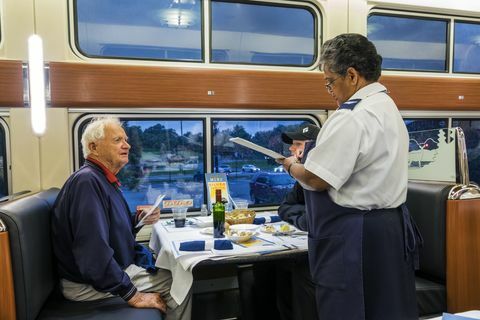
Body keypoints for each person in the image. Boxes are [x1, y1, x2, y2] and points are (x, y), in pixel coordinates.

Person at [278, 33, 421, 320]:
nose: (329, 89)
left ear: (352, 75)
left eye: (330, 81)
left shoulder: (352, 116)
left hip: (357, 235)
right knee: (388, 310)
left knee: (350, 309)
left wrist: (292, 165)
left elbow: (318, 179)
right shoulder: (387, 107)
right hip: (391, 228)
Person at [51, 116, 191, 320]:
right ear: (94, 147)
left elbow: (106, 229)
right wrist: (132, 294)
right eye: (117, 140)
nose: (127, 145)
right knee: (180, 283)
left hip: (104, 272)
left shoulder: (103, 179)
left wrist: (138, 219)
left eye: (126, 140)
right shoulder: (87, 182)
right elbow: (92, 252)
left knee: (173, 272)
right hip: (87, 284)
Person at [276, 123, 320, 320]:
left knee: (302, 271)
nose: (291, 150)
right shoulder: (302, 177)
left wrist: (304, 217)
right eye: (292, 145)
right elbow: (284, 208)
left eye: (298, 144)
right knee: (270, 268)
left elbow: (316, 220)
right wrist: (303, 215)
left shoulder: (319, 177)